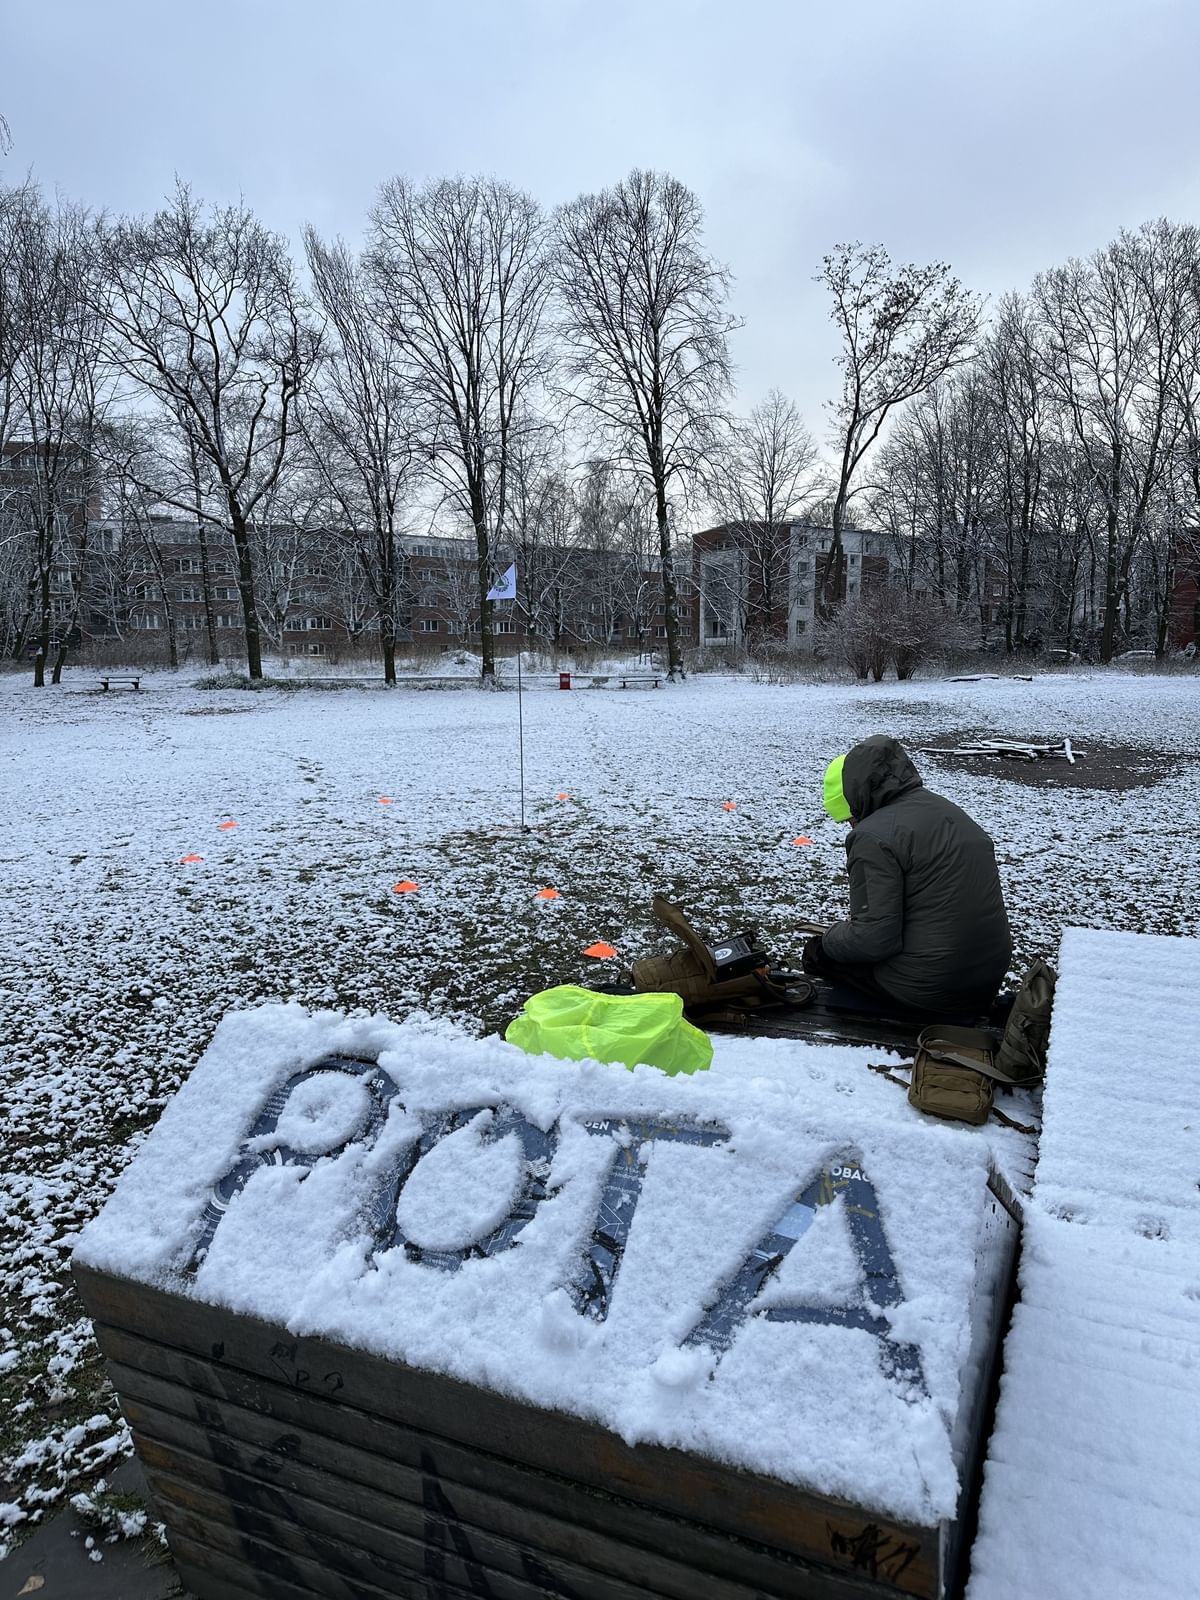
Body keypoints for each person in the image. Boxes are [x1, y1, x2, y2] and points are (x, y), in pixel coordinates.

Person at [802, 734, 1012, 1018]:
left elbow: (873, 940)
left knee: (817, 955)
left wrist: (828, 938)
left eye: (848, 819)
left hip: (933, 987)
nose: (850, 826)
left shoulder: (872, 836)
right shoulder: (942, 807)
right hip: (985, 977)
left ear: (855, 801)